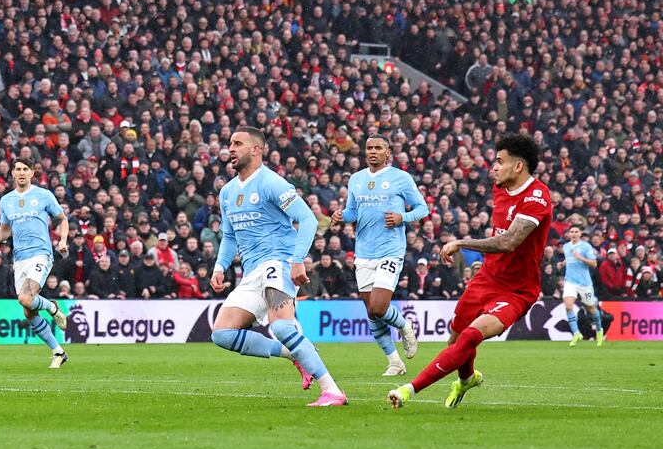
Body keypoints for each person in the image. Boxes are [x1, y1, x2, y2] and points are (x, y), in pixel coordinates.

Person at [389, 134, 552, 410]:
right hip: (486, 279)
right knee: (455, 339)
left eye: (500, 162)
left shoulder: (537, 197)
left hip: (517, 290)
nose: (494, 168)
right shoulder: (499, 188)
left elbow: (508, 242)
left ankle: (409, 389)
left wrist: (461, 242)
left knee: (470, 336)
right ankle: (467, 379)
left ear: (518, 167)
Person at [209, 126, 348, 407]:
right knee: (222, 333)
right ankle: (293, 354)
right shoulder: (227, 192)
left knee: (283, 326)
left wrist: (297, 261)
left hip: (278, 262)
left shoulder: (272, 183)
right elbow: (229, 235)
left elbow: (307, 219)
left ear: (256, 149)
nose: (230, 149)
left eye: (237, 144)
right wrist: (220, 266)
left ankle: (332, 391)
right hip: (251, 272)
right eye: (230, 144)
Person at [331, 135, 427, 376]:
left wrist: (402, 218)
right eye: (369, 148)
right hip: (363, 252)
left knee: (378, 306)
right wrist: (341, 216)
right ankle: (394, 361)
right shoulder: (356, 179)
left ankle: (405, 327)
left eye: (378, 148)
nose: (373, 151)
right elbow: (353, 211)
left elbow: (422, 208)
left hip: (390, 250)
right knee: (371, 311)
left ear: (388, 153)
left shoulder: (400, 178)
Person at [0, 157, 71, 369]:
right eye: (18, 169)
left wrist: (62, 240)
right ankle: (58, 351)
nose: (22, 172)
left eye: (26, 169)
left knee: (25, 298)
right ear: (12, 173)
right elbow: (5, 228)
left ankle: (52, 306)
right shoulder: (6, 201)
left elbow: (62, 219)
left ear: (32, 173)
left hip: (41, 253)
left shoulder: (44, 195)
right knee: (28, 309)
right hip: (20, 258)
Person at [560, 226, 605, 346]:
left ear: (580, 234)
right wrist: (562, 264)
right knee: (568, 306)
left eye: (576, 232)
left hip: (585, 284)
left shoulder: (586, 247)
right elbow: (569, 259)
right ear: (569, 234)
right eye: (572, 232)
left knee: (590, 308)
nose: (574, 234)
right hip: (570, 281)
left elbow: (594, 263)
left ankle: (599, 330)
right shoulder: (566, 246)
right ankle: (576, 333)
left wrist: (580, 258)